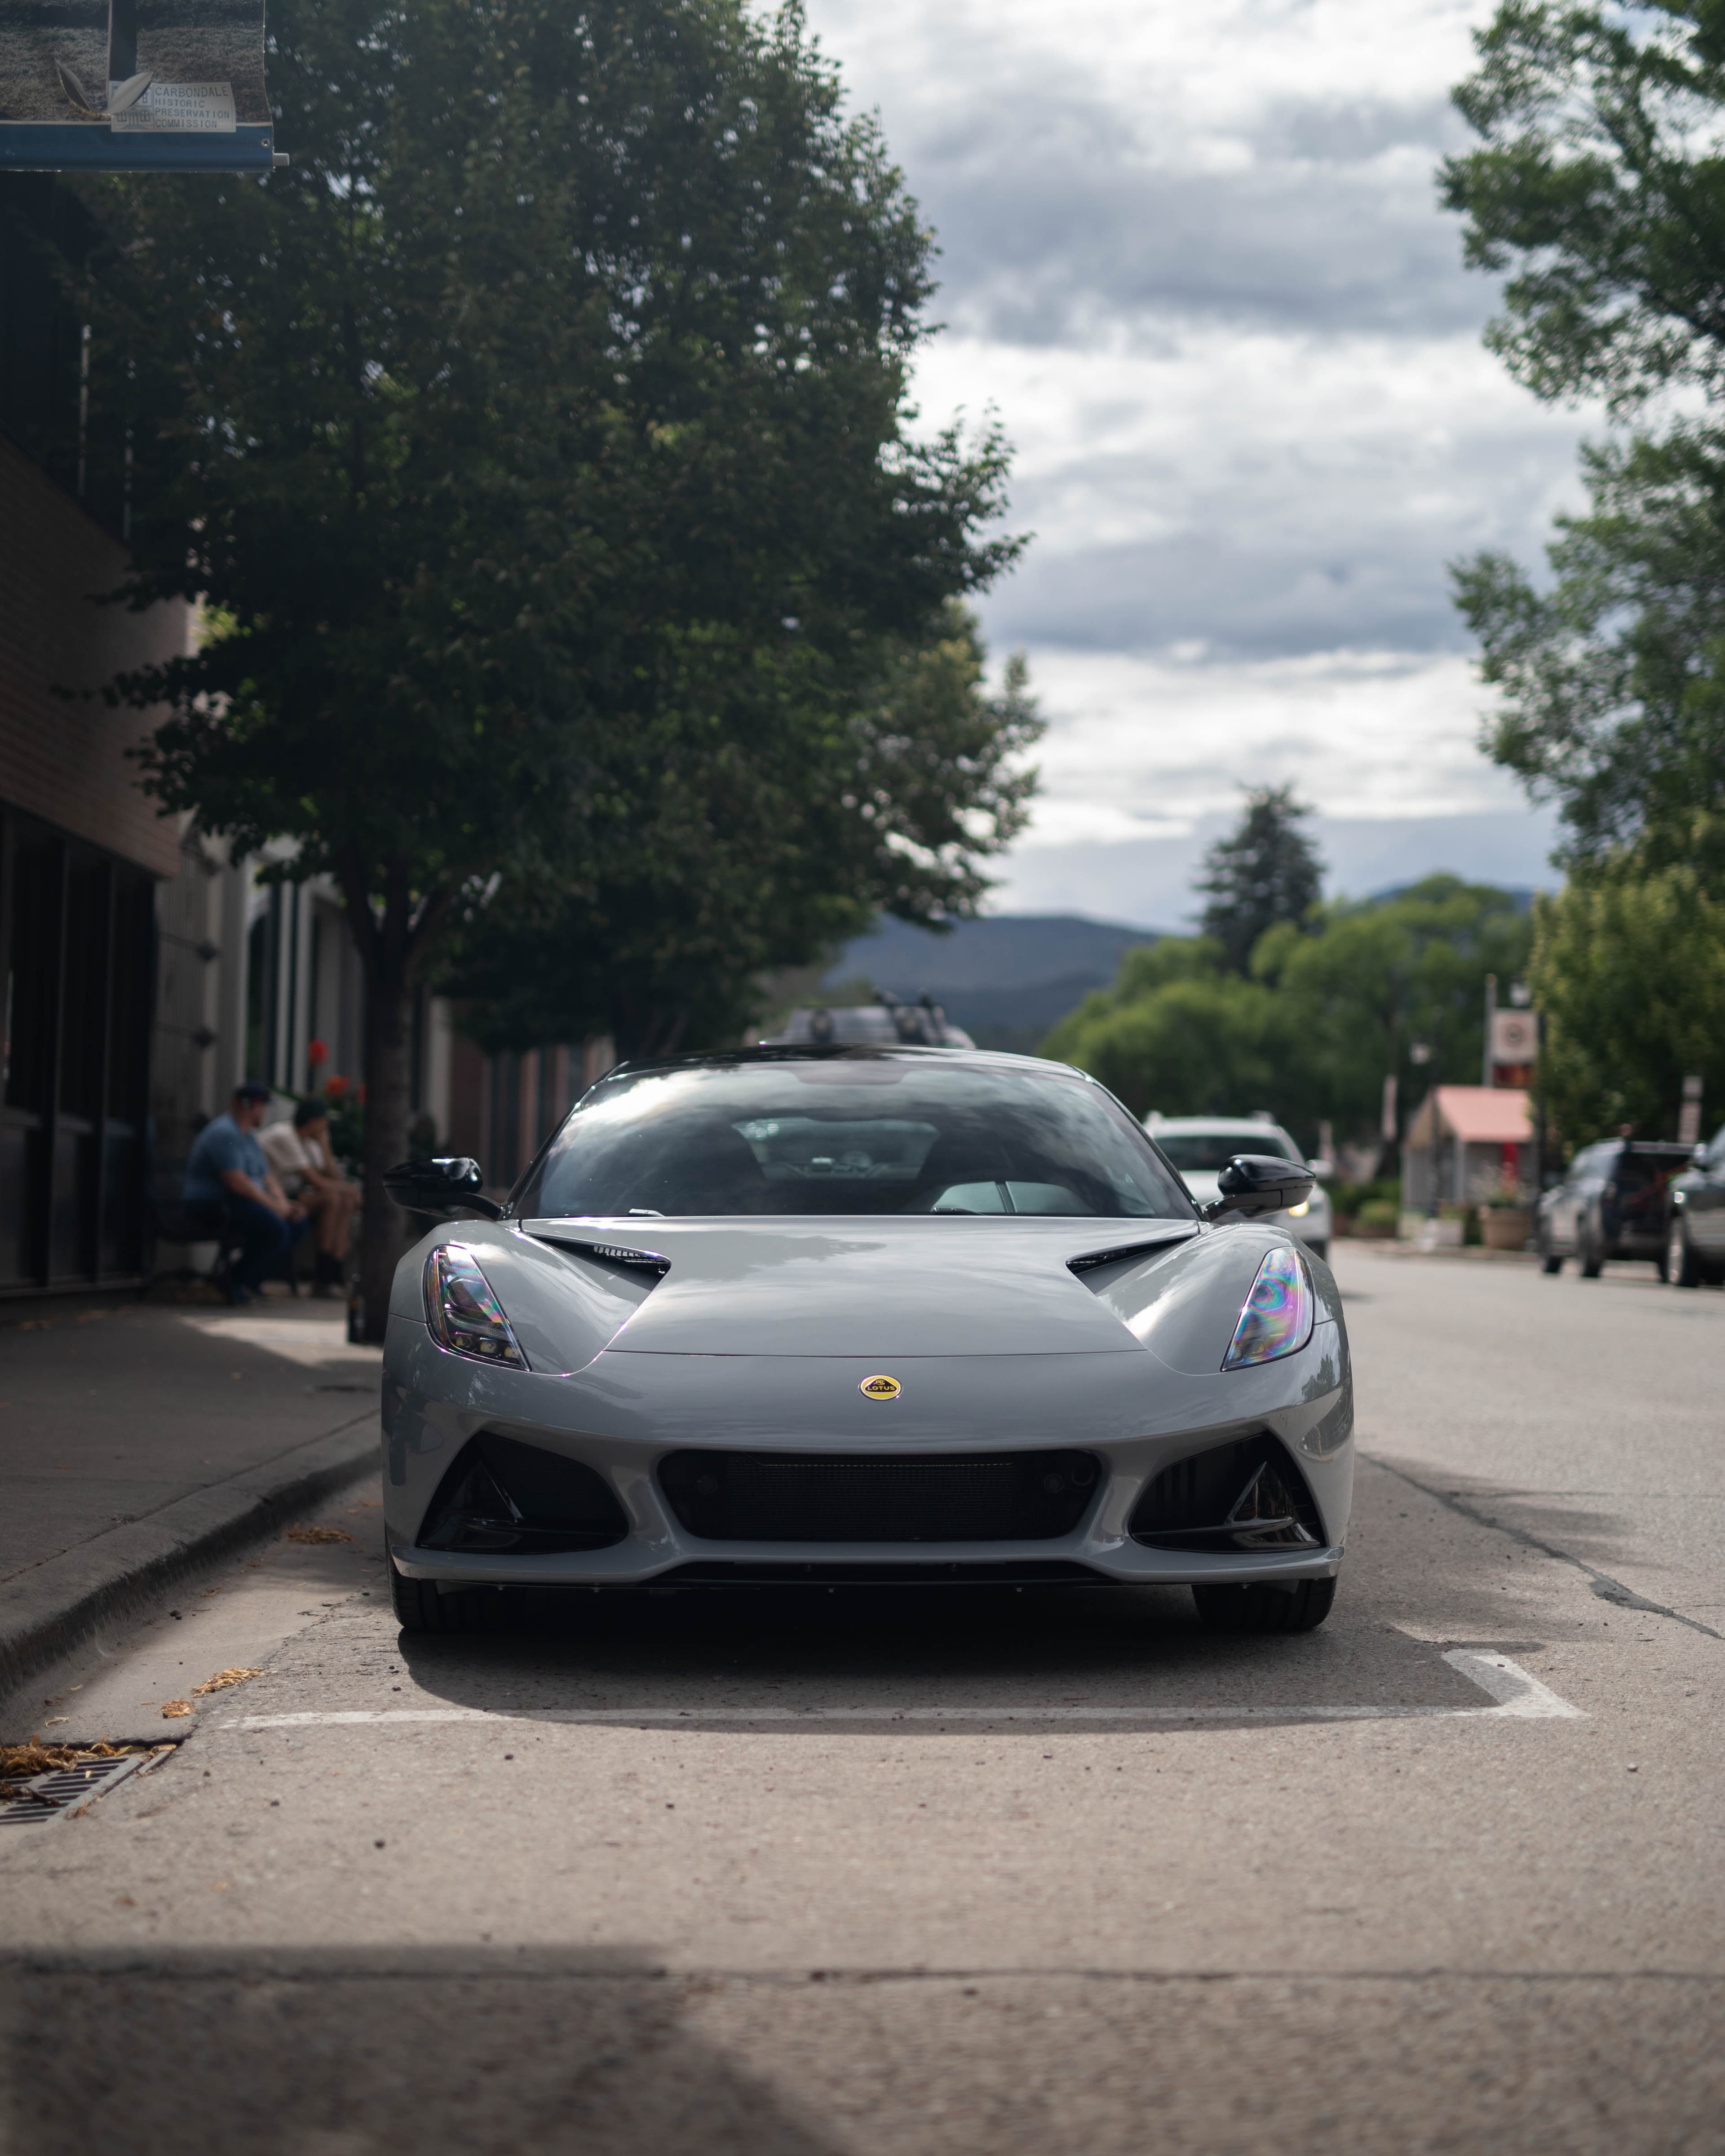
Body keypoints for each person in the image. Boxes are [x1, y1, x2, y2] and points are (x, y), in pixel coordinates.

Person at [182, 1081, 310, 1304]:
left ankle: (247, 1282)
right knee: (276, 1228)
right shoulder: (224, 1132)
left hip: (239, 1203)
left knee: (297, 1224)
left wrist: (283, 1204)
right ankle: (235, 1281)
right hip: (212, 1205)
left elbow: (267, 1177)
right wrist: (275, 1208)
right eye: (261, 1107)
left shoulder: (249, 1136)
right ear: (249, 1107)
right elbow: (237, 1182)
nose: (264, 1112)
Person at [260, 1099, 359, 1293]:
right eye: (324, 1121)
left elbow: (332, 1176)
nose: (326, 1126)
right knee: (333, 1198)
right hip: (270, 1195)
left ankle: (333, 1271)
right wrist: (352, 1190)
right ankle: (324, 1275)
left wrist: (325, 1146)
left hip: (290, 1194)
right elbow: (316, 1181)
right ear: (313, 1121)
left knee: (344, 1200)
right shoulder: (286, 1135)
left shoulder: (310, 1142)